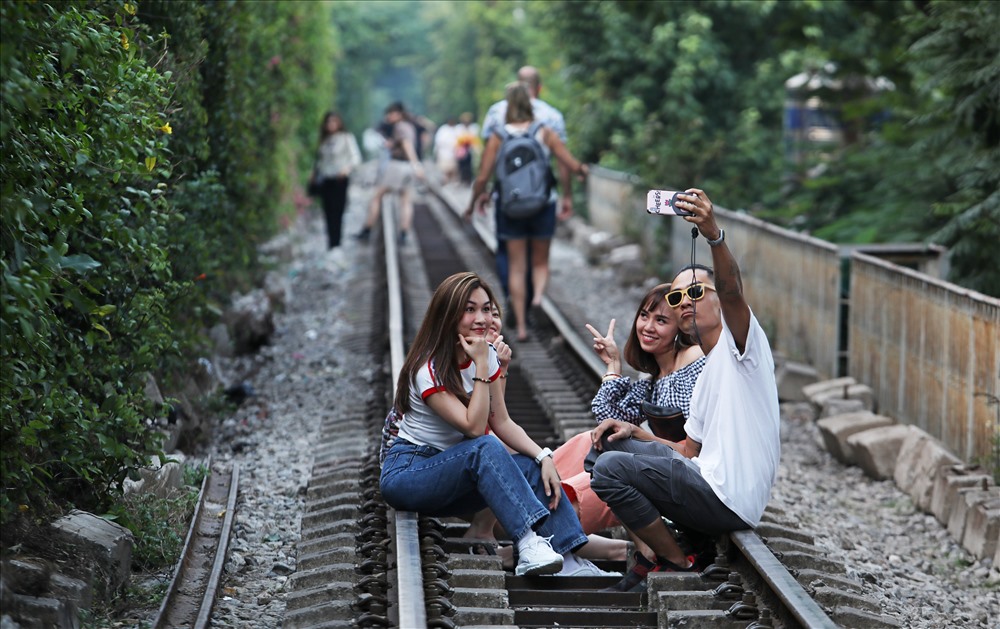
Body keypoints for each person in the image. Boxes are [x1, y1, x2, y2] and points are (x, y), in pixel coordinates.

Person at [589, 189, 781, 593]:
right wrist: (636, 433)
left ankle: (675, 561)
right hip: (703, 480)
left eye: (696, 292)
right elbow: (689, 453)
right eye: (677, 297)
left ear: (717, 300)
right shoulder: (708, 372)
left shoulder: (742, 348)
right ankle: (669, 551)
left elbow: (732, 290)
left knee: (610, 470)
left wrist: (713, 236)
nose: (684, 302)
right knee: (607, 447)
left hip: (728, 499)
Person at [379, 272, 597, 577]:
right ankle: (529, 543)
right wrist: (482, 364)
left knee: (530, 466)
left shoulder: (486, 355)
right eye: (469, 310)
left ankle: (568, 560)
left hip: (454, 474)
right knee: (483, 447)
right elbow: (474, 428)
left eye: (485, 309)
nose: (481, 318)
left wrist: (543, 456)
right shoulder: (428, 369)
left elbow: (502, 421)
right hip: (410, 474)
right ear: (448, 314)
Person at [550, 283, 705, 560]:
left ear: (680, 328)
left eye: (661, 320)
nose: (647, 326)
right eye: (644, 316)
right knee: (589, 440)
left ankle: (551, 516)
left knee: (606, 467)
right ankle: (541, 492)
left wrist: (640, 435)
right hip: (663, 465)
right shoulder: (654, 379)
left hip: (686, 477)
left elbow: (696, 449)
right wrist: (613, 365)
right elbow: (608, 420)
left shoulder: (691, 363)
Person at [467, 82, 587, 342]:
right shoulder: (544, 131)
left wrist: (472, 203)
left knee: (517, 268)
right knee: (540, 262)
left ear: (508, 105)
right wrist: (581, 170)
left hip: (510, 208)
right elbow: (568, 161)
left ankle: (521, 327)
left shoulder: (498, 135)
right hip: (542, 204)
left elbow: (483, 176)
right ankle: (538, 298)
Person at [356, 102, 425, 245]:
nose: (388, 117)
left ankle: (367, 229)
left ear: (399, 114)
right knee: (405, 200)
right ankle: (404, 233)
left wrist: (416, 164)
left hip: (398, 165)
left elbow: (407, 145)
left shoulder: (400, 127)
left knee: (377, 196)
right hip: (407, 167)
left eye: (391, 113)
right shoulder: (409, 126)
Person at [309, 112, 362, 256]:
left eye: (334, 121)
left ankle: (337, 244)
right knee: (327, 212)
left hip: (340, 180)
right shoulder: (324, 140)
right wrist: (313, 173)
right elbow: (319, 160)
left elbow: (355, 157)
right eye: (328, 122)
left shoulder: (346, 138)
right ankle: (331, 244)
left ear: (339, 123)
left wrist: (347, 169)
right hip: (326, 179)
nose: (331, 125)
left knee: (338, 211)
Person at [433, 116, 460, 185]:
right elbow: (439, 141)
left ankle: (451, 183)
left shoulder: (456, 129)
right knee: (445, 170)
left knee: (453, 170)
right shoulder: (443, 129)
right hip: (444, 153)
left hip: (453, 153)